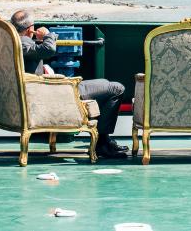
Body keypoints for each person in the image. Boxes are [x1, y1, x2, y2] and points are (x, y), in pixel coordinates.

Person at [11, 10, 128, 159]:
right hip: (57, 94)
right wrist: (48, 35)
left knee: (105, 84)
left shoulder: (11, 42)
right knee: (116, 88)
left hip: (40, 91)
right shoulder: (24, 42)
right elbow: (49, 49)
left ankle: (104, 140)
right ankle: (103, 144)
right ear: (30, 28)